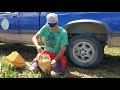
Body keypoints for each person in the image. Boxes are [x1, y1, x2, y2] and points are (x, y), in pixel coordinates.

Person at [29, 13, 68, 77]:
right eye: (50, 25)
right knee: (32, 69)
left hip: (57, 56)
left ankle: (49, 69)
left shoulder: (63, 32)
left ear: (57, 22)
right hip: (45, 55)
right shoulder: (45, 28)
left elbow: (62, 50)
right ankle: (44, 68)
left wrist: (55, 60)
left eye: (53, 25)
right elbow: (34, 37)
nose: (52, 27)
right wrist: (37, 46)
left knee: (53, 74)